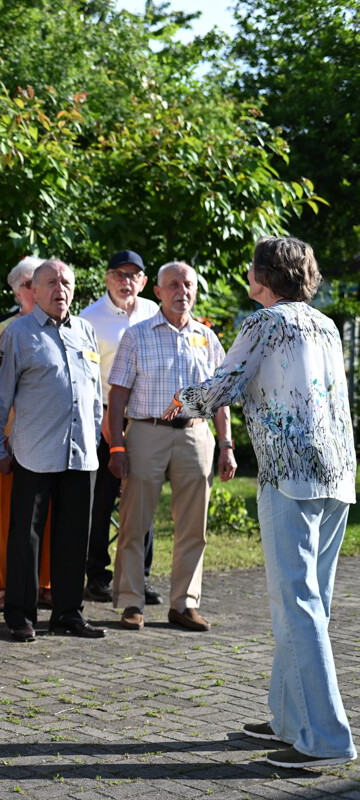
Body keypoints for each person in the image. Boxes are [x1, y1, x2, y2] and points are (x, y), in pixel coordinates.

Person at [163, 237, 356, 769]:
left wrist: (178, 402)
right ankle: (289, 720)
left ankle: (326, 740)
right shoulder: (325, 325)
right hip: (338, 476)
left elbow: (223, 385)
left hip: (290, 475)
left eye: (251, 269)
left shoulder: (264, 323)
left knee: (296, 605)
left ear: (264, 276)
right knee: (305, 601)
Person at [0, 260, 105, 643]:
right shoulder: (17, 334)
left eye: (66, 281)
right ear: (33, 290)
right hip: (34, 452)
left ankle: (68, 612)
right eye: (51, 282)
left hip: (80, 454)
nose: (60, 289)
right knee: (26, 538)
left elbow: (95, 395)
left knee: (73, 537)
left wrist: (95, 435)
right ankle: (19, 614)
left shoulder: (85, 330)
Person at [107, 262, 234, 631]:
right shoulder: (137, 335)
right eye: (173, 285)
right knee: (135, 522)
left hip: (196, 434)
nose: (182, 291)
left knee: (194, 526)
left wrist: (226, 445)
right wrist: (117, 447)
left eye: (188, 284)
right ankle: (131, 602)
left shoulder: (207, 338)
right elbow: (117, 398)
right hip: (147, 431)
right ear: (158, 292)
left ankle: (184, 604)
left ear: (196, 291)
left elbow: (220, 396)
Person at [78, 250, 160, 604]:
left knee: (143, 498)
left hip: (144, 418)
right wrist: (105, 425)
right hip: (103, 419)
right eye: (119, 274)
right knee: (100, 501)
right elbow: (86, 380)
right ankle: (97, 576)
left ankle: (139, 576)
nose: (127, 281)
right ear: (107, 278)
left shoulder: (154, 313)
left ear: (144, 281)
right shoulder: (89, 319)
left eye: (134, 275)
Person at [0, 257, 51, 612]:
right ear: (20, 290)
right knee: (10, 515)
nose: (37, 290)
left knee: (50, 514)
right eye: (29, 284)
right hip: (14, 439)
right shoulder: (6, 329)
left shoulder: (62, 326)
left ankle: (46, 582)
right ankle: (7, 585)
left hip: (53, 439)